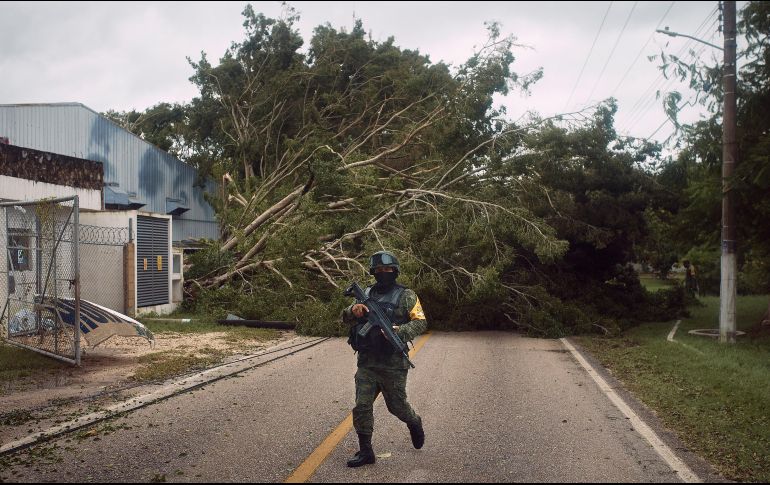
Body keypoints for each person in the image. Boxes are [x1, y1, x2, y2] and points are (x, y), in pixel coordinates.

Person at [340, 250, 427, 467]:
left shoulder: (407, 295)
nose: (383, 273)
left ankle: (414, 422)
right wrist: (354, 309)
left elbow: (420, 322)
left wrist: (399, 331)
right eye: (378, 270)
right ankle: (366, 452)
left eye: (387, 270)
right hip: (367, 361)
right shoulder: (367, 293)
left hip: (393, 364)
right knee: (362, 406)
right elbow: (344, 317)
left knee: (397, 407)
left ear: (395, 271)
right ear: (373, 272)